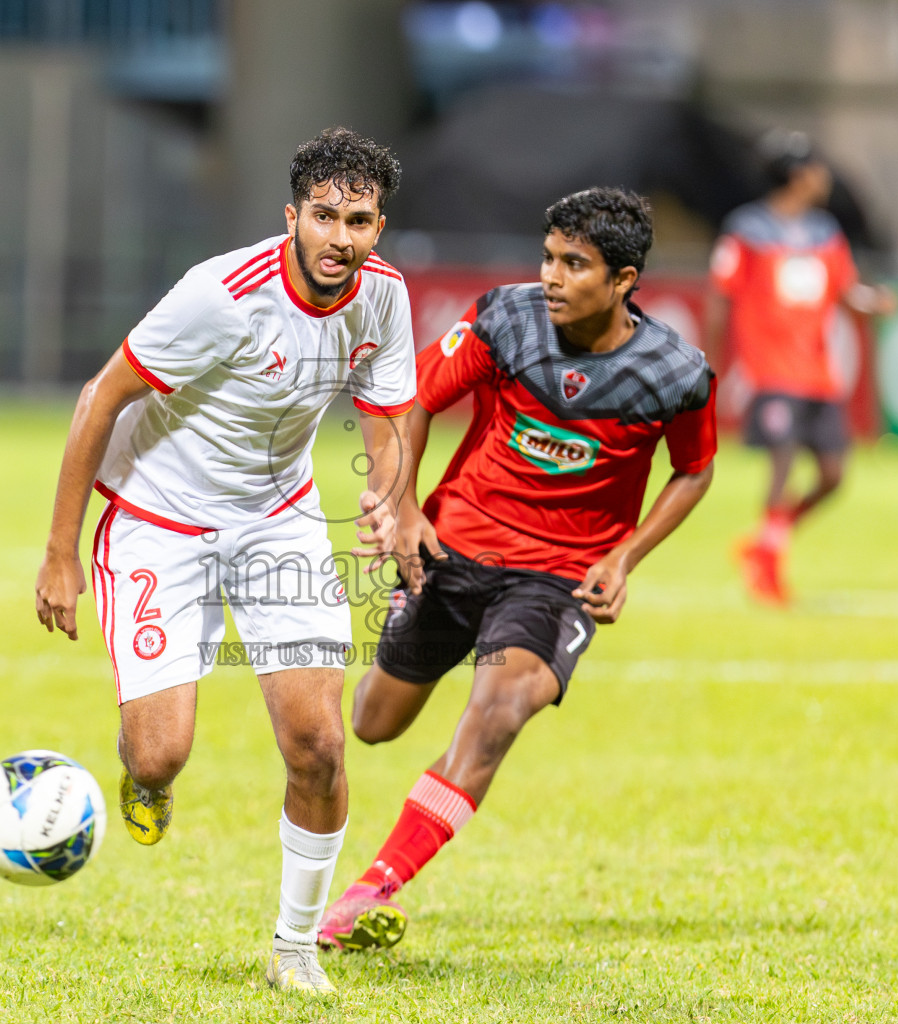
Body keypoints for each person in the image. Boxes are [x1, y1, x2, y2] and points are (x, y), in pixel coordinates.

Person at [33, 128, 418, 993]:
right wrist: (61, 551)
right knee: (161, 754)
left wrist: (393, 502)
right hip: (159, 517)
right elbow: (101, 399)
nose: (340, 238)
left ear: (379, 226)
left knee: (318, 744)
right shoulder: (223, 295)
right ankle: (143, 771)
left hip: (277, 520)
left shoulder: (383, 297)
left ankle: (293, 946)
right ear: (293, 217)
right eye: (324, 216)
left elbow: (391, 411)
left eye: (358, 220)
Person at [315, 187, 718, 952]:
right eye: (549, 258)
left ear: (625, 279)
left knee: (498, 712)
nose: (554, 277)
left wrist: (624, 556)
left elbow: (695, 470)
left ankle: (372, 888)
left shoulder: (675, 374)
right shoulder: (504, 319)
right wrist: (402, 507)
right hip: (454, 550)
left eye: (576, 265)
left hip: (557, 580)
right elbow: (414, 402)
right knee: (373, 723)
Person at [706, 129, 895, 605]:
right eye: (816, 168)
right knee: (782, 461)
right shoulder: (747, 230)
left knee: (833, 475)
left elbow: (847, 291)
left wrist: (874, 302)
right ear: (796, 174)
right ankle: (768, 570)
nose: (824, 177)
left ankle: (768, 538)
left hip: (817, 370)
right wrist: (710, 361)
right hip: (769, 368)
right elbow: (720, 292)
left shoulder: (824, 233)